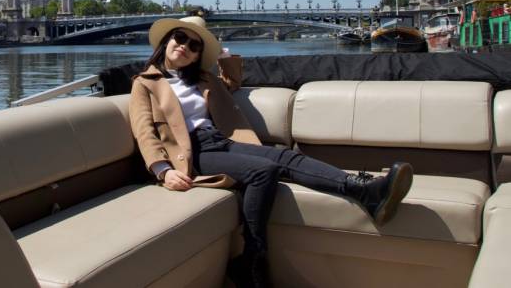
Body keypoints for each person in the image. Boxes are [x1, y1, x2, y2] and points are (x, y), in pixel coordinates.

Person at [129, 16, 413, 288]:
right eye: (180, 38)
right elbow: (145, 131)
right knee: (263, 172)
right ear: (166, 41)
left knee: (286, 156)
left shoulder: (203, 79)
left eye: (194, 46)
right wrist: (163, 171)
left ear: (196, 56)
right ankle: (251, 258)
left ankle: (363, 190)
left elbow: (232, 83)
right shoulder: (144, 83)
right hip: (192, 153)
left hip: (220, 140)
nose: (185, 47)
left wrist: (223, 55)